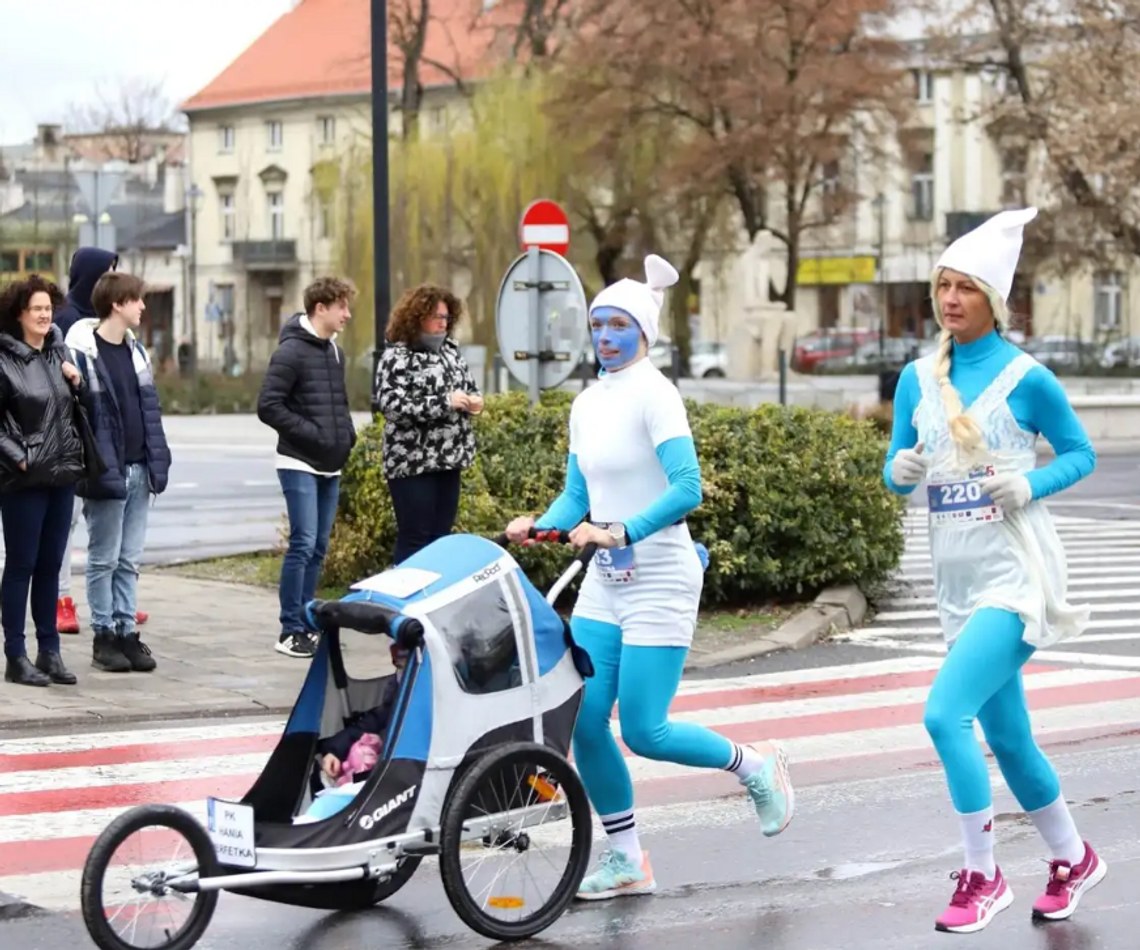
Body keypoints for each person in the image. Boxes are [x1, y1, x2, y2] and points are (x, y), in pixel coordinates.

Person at [504, 254, 794, 901]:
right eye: (598, 324)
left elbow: (688, 488)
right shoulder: (586, 403)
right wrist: (539, 524)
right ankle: (627, 858)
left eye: (618, 326)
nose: (604, 336)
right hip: (607, 580)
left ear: (643, 333)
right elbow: (577, 496)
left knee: (644, 729)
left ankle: (756, 767)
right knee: (584, 720)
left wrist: (623, 530)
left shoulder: (656, 395)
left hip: (662, 574)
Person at [883, 207, 1105, 933]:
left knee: (946, 714)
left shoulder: (1026, 377)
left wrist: (1030, 483)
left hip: (1016, 572)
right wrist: (901, 467)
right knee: (1010, 739)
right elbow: (895, 474)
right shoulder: (917, 378)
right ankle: (1073, 857)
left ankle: (983, 875)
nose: (949, 300)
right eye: (942, 287)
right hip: (955, 577)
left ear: (993, 299)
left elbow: (1080, 453)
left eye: (965, 288)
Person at [66, 272, 171, 673]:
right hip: (105, 469)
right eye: (137, 300)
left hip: (140, 468)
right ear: (117, 303)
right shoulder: (83, 354)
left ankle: (127, 632)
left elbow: (149, 411)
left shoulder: (136, 351)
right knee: (104, 557)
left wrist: (156, 459)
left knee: (129, 559)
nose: (143, 306)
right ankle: (103, 636)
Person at [257, 277, 357, 659]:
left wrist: (345, 436)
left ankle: (307, 624)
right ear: (321, 308)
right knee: (302, 543)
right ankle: (290, 629)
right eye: (342, 307)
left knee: (318, 546)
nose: (347, 314)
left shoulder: (335, 352)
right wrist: (313, 435)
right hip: (298, 461)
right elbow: (269, 405)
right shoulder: (291, 352)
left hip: (330, 464)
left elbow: (341, 403)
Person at [51, 248, 148, 634]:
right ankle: (63, 600)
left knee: (117, 546)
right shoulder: (68, 324)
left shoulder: (126, 339)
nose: (112, 275)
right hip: (82, 450)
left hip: (121, 454)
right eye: (107, 271)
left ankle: (117, 609)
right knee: (68, 529)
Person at [0, 275, 89, 687]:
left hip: (62, 473)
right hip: (24, 480)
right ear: (19, 313)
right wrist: (21, 459)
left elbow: (84, 408)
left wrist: (78, 381)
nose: (43, 314)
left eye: (48, 308)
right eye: (36, 308)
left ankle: (49, 651)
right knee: (22, 564)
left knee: (52, 564)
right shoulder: (4, 359)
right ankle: (15, 655)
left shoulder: (59, 352)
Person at [374, 285, 483, 564]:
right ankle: (406, 602)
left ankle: (435, 602)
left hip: (449, 459)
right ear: (417, 317)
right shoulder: (397, 356)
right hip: (412, 462)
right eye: (436, 316)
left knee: (441, 539)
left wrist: (474, 401)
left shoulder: (451, 353)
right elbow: (391, 406)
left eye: (446, 317)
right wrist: (444, 402)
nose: (442, 322)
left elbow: (470, 387)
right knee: (415, 538)